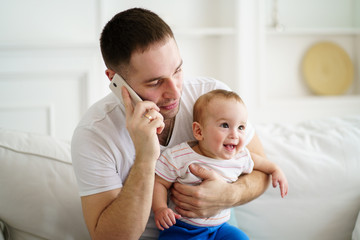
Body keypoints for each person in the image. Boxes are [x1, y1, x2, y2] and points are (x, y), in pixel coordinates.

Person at [71, 7, 270, 240]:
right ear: (115, 80)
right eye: (155, 82)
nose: (175, 92)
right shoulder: (95, 134)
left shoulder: (212, 97)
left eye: (177, 71)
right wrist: (145, 158)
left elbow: (261, 170)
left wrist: (229, 195)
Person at [152, 89, 288, 239]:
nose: (234, 134)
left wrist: (275, 169)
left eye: (241, 127)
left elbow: (259, 162)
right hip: (183, 229)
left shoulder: (239, 157)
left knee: (240, 237)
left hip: (220, 228)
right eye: (225, 125)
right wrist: (160, 208)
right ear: (199, 131)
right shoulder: (180, 156)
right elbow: (159, 182)